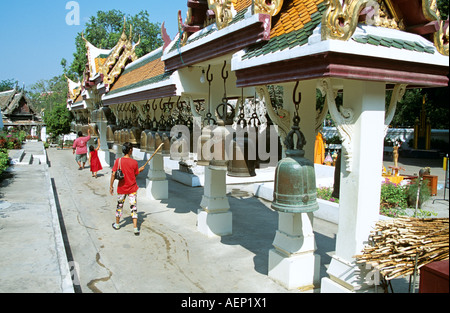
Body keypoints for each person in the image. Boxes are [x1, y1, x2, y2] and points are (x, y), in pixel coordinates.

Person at [110, 142, 146, 236]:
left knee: (119, 206)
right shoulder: (134, 162)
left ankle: (117, 224)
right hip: (132, 188)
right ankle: (135, 228)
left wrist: (111, 186)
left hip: (122, 188)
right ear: (130, 150)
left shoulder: (118, 161)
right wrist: (139, 170)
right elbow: (134, 174)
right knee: (133, 208)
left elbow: (113, 174)